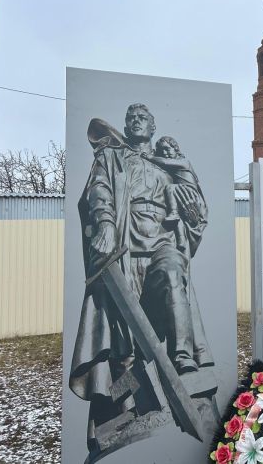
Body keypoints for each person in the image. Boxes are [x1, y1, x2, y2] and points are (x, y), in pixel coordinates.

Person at [71, 104, 213, 451]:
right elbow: (99, 192)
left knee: (172, 271)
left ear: (152, 126)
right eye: (131, 117)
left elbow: (196, 209)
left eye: (142, 117)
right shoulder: (113, 157)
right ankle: (127, 409)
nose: (136, 121)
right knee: (125, 335)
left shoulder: (170, 164)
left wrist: (192, 211)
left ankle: (183, 359)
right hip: (126, 245)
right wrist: (104, 223)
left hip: (162, 241)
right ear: (126, 126)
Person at [141, 136, 203, 251]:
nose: (165, 153)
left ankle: (174, 212)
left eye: (167, 149)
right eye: (162, 151)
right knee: (176, 220)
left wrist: (150, 157)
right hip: (181, 193)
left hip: (189, 192)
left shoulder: (184, 162)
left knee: (170, 188)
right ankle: (181, 241)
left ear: (176, 149)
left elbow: (165, 162)